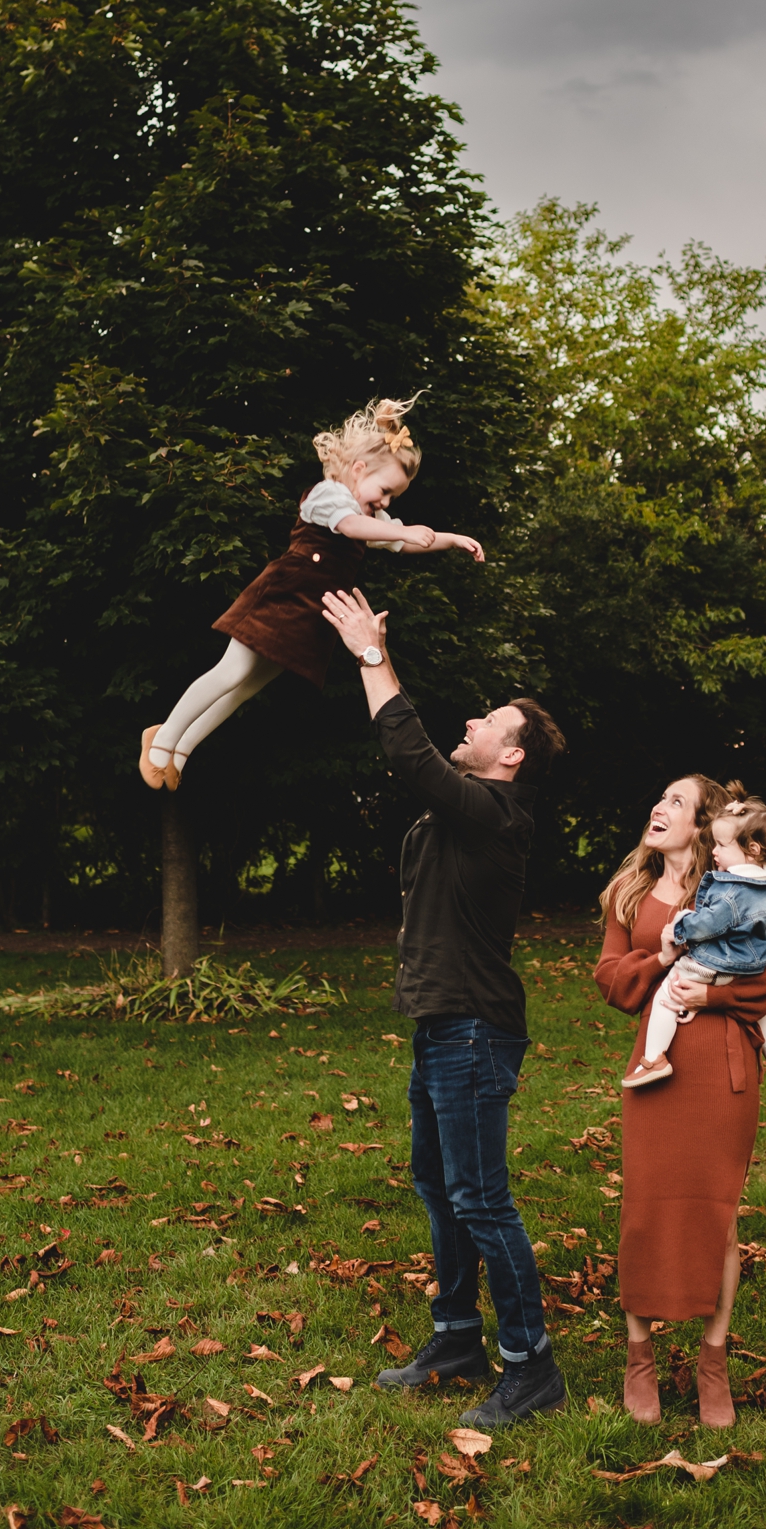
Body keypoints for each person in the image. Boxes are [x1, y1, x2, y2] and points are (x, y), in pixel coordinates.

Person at [320, 581, 570, 1431]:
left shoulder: (497, 815)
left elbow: (411, 755)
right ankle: (457, 1340)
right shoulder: (467, 814)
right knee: (438, 1185)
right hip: (444, 1027)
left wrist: (369, 655)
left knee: (478, 1197)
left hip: (473, 1029)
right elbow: (422, 767)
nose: (471, 722)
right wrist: (375, 657)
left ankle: (531, 1367)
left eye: (487, 723)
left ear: (512, 759)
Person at [138, 397, 484, 788]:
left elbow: (404, 541)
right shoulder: (329, 496)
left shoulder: (375, 518)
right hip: (281, 597)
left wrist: (451, 539)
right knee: (230, 671)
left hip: (307, 615)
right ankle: (161, 739)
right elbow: (353, 527)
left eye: (393, 500)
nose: (386, 504)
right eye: (385, 491)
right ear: (358, 469)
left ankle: (180, 753)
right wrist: (402, 530)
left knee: (247, 687)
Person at [594, 774, 766, 1427]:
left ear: (705, 822)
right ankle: (640, 1359)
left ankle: (712, 1365)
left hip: (722, 1067)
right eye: (657, 798)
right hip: (654, 1071)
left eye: (675, 802)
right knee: (644, 1212)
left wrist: (711, 995)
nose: (658, 807)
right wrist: (663, 958)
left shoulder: (739, 888)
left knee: (719, 1218)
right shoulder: (628, 893)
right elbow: (611, 978)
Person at [622, 794, 766, 1105]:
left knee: (669, 994)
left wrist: (679, 929)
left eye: (721, 845)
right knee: (764, 1015)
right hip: (750, 965)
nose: (715, 851)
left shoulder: (731, 891)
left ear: (751, 849)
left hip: (711, 964)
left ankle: (654, 1059)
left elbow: (709, 925)